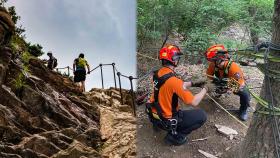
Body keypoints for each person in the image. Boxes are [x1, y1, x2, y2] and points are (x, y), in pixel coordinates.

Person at [146, 44, 215, 146]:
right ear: (174, 60)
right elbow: (194, 102)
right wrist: (206, 89)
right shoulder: (174, 81)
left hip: (154, 113)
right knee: (202, 115)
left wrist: (193, 83)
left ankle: (156, 126)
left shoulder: (157, 74)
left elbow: (172, 85)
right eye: (178, 58)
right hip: (167, 119)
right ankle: (174, 137)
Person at [205, 44, 251, 121]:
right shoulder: (213, 65)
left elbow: (241, 85)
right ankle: (217, 93)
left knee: (244, 92)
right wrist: (212, 87)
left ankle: (243, 109)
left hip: (233, 83)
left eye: (213, 60)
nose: (212, 62)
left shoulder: (233, 67)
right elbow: (209, 77)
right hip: (221, 81)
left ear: (220, 59)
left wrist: (228, 89)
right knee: (214, 83)